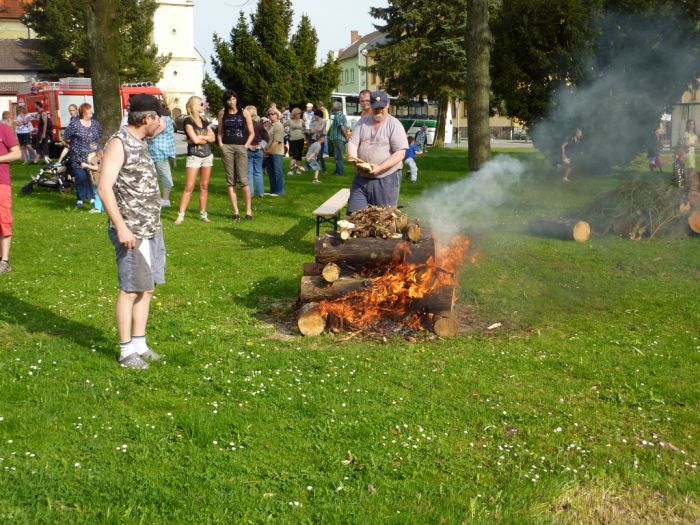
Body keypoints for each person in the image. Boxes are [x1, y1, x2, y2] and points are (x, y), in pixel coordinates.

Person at [97, 94, 167, 369]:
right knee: (129, 290)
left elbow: (156, 126)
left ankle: (140, 344)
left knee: (146, 288)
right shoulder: (119, 143)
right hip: (131, 231)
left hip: (151, 228)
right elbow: (104, 188)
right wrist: (122, 227)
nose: (161, 122)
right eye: (157, 117)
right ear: (147, 118)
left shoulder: (140, 138)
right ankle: (126, 351)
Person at [347, 90, 408, 214]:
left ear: (388, 105)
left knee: (383, 218)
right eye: (376, 108)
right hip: (361, 178)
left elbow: (400, 153)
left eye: (382, 107)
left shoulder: (394, 125)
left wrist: (379, 168)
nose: (379, 110)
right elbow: (352, 143)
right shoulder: (362, 122)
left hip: (386, 179)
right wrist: (354, 159)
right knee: (354, 216)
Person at [175, 96, 215, 224]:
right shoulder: (188, 121)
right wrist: (204, 137)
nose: (203, 105)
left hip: (207, 156)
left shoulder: (204, 120)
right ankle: (181, 215)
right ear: (192, 107)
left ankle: (203, 213)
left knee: (204, 185)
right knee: (189, 186)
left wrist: (200, 137)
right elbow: (195, 140)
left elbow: (213, 138)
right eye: (200, 104)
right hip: (194, 156)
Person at [217, 90, 254, 221]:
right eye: (229, 100)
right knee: (230, 180)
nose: (231, 102)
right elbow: (220, 132)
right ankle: (235, 211)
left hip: (241, 147)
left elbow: (251, 133)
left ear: (237, 99)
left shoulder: (244, 113)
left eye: (233, 99)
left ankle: (248, 210)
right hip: (227, 147)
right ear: (225, 101)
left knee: (243, 180)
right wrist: (221, 144)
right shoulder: (222, 113)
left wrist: (246, 145)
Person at [62, 103, 102, 209]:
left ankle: (94, 198)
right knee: (81, 177)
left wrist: (96, 149)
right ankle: (81, 199)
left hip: (92, 155)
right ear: (83, 113)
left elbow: (99, 136)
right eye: (89, 112)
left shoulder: (95, 123)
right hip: (77, 155)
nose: (91, 113)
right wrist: (71, 144)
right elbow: (65, 136)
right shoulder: (75, 124)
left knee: (93, 177)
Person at [0, 115, 21, 274]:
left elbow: (16, 154)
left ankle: (4, 261)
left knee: (3, 220)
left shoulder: (4, 130)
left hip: (1, 183)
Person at [146, 109, 177, 207]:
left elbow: (152, 135)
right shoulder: (166, 118)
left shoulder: (162, 119)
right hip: (157, 150)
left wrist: (146, 135)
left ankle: (165, 200)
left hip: (158, 151)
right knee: (157, 175)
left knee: (164, 175)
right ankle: (159, 198)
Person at [245, 105, 268, 199]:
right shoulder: (260, 125)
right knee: (258, 172)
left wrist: (249, 145)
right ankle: (261, 193)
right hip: (258, 151)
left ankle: (250, 193)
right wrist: (260, 146)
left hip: (247, 150)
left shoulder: (244, 125)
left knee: (249, 172)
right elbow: (266, 138)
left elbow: (241, 139)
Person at [265, 107, 285, 196]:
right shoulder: (269, 126)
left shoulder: (279, 125)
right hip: (268, 152)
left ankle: (280, 191)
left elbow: (276, 141)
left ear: (277, 115)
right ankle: (273, 191)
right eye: (268, 114)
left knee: (278, 171)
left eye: (272, 114)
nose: (270, 115)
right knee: (270, 172)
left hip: (276, 152)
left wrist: (268, 151)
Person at [328, 101, 348, 175]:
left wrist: (346, 137)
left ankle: (339, 172)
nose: (332, 108)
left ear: (335, 108)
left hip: (338, 138)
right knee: (338, 156)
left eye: (332, 107)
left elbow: (341, 126)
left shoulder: (338, 115)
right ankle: (337, 171)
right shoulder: (338, 115)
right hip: (338, 138)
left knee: (338, 156)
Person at [286, 108, 306, 174]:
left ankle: (297, 169)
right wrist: (288, 133)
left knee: (299, 155)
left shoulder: (301, 121)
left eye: (300, 114)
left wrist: (303, 133)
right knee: (295, 155)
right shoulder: (290, 121)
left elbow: (304, 128)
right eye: (298, 114)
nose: (299, 115)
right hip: (293, 139)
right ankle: (290, 170)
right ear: (294, 114)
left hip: (301, 139)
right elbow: (282, 126)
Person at [310, 110, 328, 174]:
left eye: (315, 115)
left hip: (321, 140)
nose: (314, 116)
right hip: (314, 139)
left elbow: (321, 129)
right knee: (314, 155)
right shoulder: (313, 121)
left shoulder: (324, 121)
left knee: (320, 155)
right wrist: (316, 130)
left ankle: (324, 170)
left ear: (318, 115)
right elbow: (311, 130)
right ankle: (316, 169)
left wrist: (316, 130)